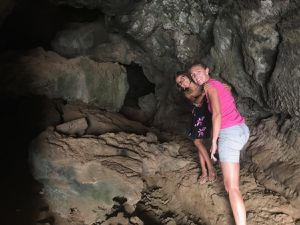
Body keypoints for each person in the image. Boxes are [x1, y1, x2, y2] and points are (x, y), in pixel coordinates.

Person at [189, 63, 250, 225]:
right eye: (193, 75)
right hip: (241, 129)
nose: (196, 76)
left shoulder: (209, 86)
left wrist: (214, 142)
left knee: (232, 187)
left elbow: (217, 114)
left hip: (229, 134)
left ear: (207, 71)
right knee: (232, 183)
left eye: (199, 72)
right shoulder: (216, 84)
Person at [175, 72, 216, 184]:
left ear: (187, 75)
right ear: (181, 86)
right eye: (179, 82)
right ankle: (209, 169)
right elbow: (197, 103)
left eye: (182, 77)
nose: (182, 81)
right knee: (198, 142)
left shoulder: (201, 82)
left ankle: (205, 171)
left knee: (199, 143)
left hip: (208, 114)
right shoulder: (188, 93)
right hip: (198, 117)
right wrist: (202, 94)